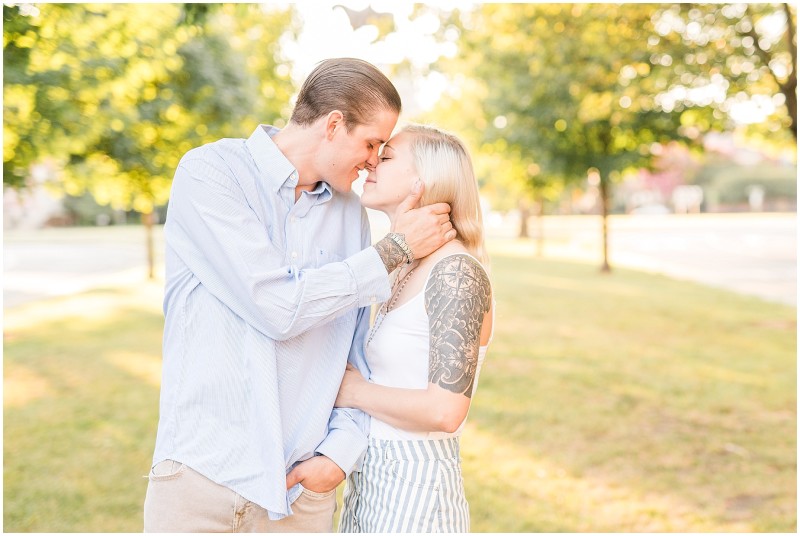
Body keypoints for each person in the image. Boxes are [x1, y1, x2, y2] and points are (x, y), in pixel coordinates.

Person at [143, 58, 456, 532]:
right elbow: (276, 307)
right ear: (333, 125)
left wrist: (338, 453)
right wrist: (393, 250)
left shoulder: (351, 212)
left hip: (300, 495)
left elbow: (354, 347)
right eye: (371, 143)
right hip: (201, 479)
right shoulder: (211, 174)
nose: (374, 161)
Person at [334, 124, 494, 533]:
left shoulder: (456, 272)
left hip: (418, 491)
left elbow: (445, 410)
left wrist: (353, 392)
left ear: (421, 182)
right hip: (369, 481)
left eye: (385, 158)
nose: (371, 161)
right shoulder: (400, 266)